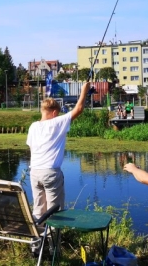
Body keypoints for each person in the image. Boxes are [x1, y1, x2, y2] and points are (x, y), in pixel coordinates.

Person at [26, 82, 91, 219]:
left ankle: (38, 238)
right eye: (57, 114)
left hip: (34, 173)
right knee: (55, 214)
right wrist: (84, 90)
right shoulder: (56, 122)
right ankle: (53, 239)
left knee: (38, 211)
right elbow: (78, 109)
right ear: (54, 112)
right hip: (50, 173)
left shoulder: (33, 126)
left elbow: (31, 147)